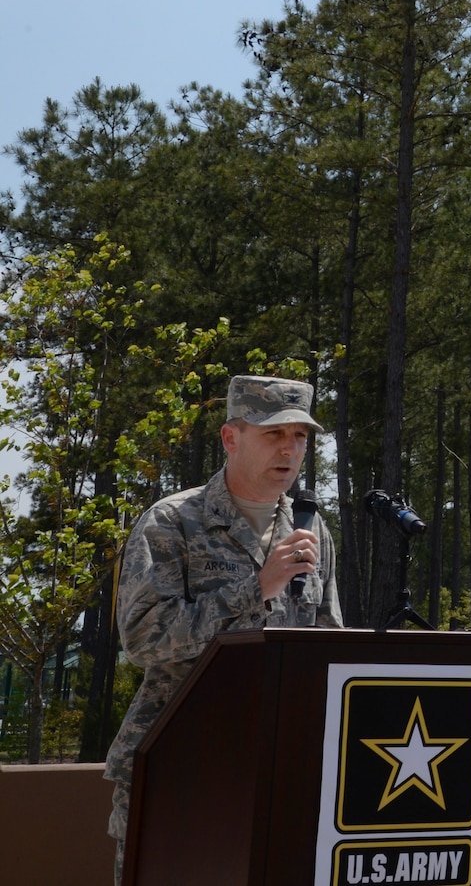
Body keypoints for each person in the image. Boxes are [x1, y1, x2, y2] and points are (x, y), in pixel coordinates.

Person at [104, 375, 343, 884]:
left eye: (299, 436)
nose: (289, 449)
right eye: (272, 434)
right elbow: (145, 640)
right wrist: (256, 587)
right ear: (230, 439)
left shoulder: (310, 528)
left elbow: (327, 640)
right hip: (180, 766)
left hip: (278, 769)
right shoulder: (173, 521)